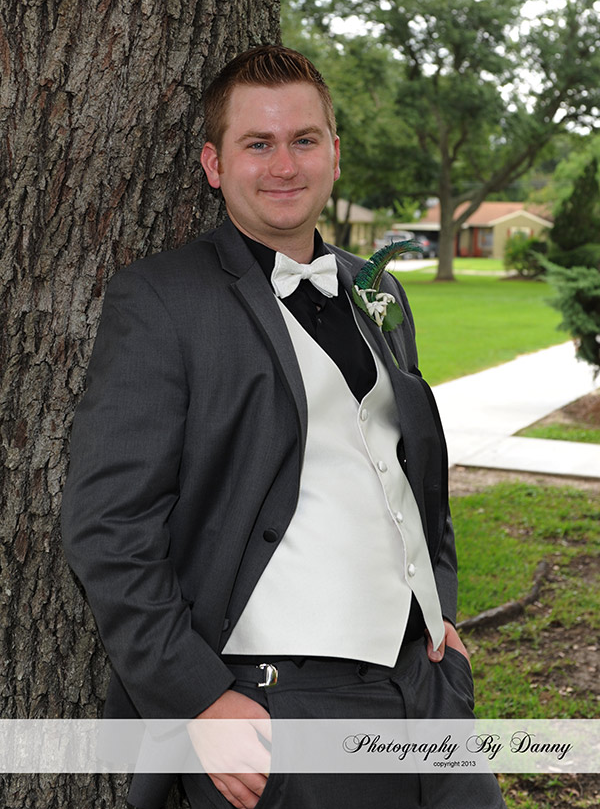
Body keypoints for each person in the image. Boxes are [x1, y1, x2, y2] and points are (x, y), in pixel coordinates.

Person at [61, 45, 506, 809]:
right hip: (282, 713)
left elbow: (408, 470)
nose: (285, 165)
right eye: (257, 144)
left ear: (334, 152)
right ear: (214, 164)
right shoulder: (162, 301)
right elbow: (106, 526)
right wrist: (199, 699)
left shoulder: (377, 291)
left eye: (303, 140)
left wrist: (442, 608)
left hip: (429, 692)